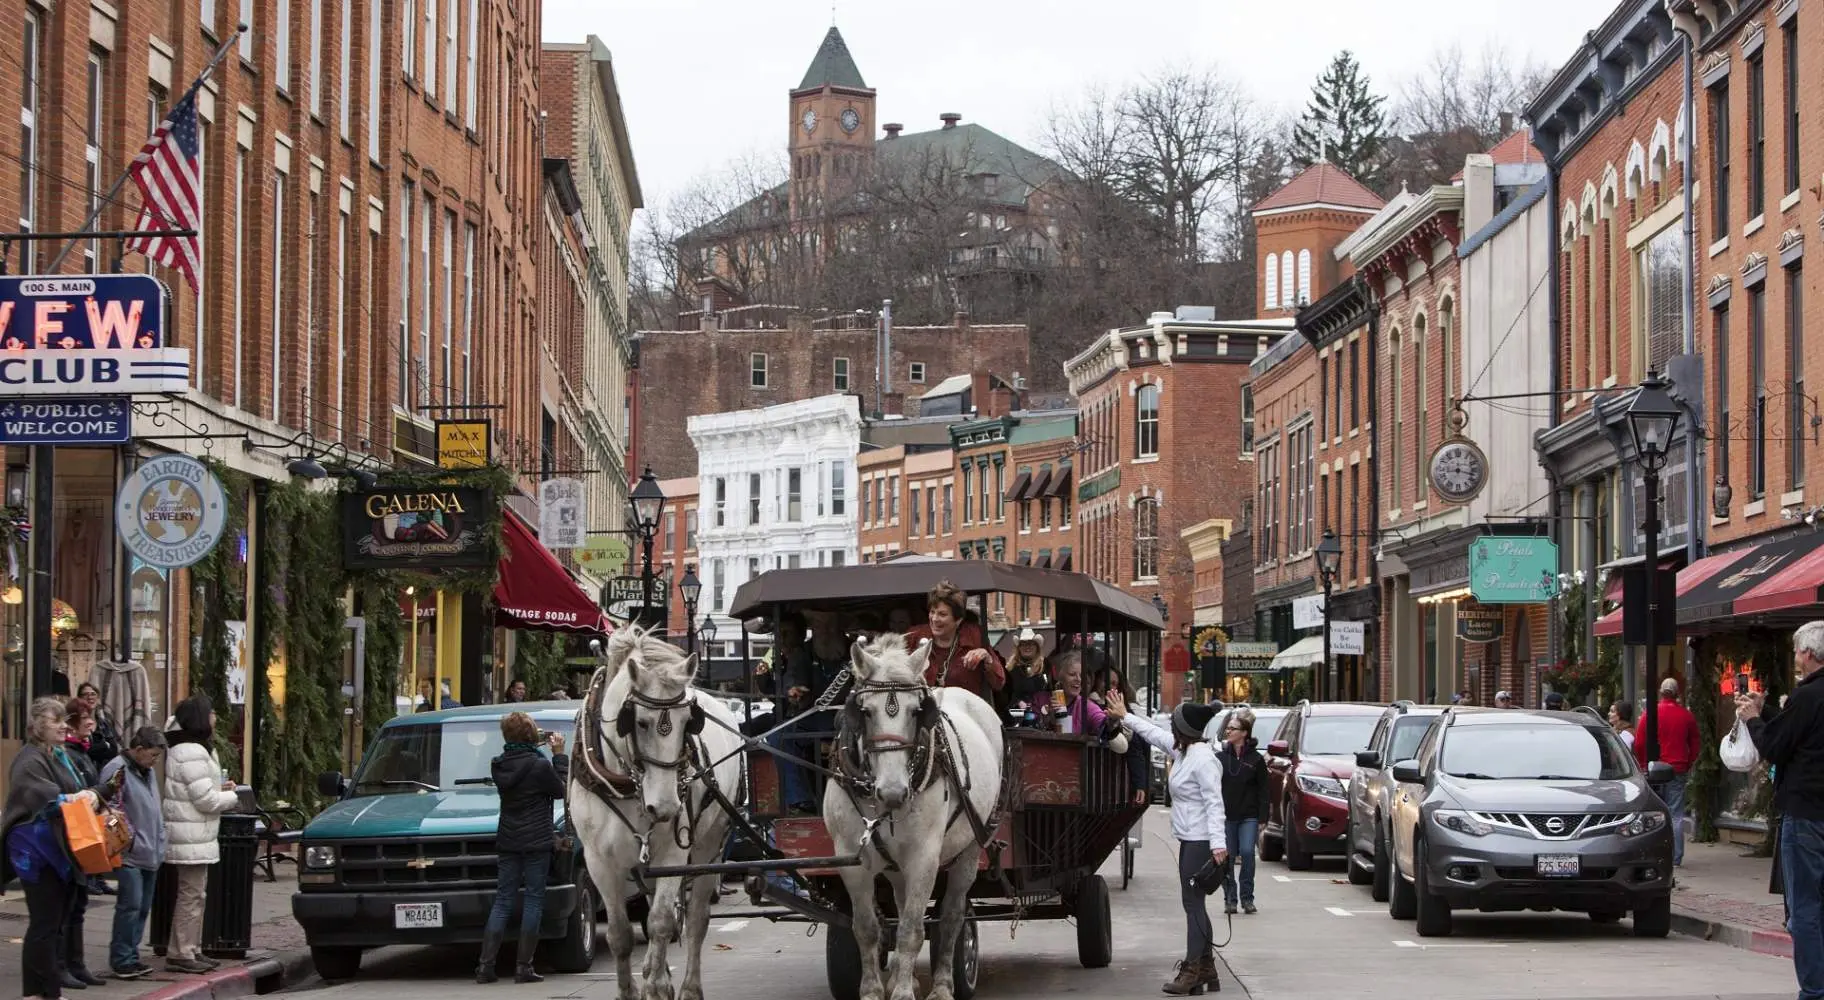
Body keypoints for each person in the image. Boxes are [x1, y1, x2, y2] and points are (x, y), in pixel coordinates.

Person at [1106, 691, 1226, 996]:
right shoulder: (1183, 751)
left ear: (1184, 731)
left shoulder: (1203, 760)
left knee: (1192, 903)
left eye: (1175, 725)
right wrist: (1124, 716)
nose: (1170, 730)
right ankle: (1207, 967)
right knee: (1195, 903)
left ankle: (1192, 970)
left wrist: (1218, 845)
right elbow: (1154, 734)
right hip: (1190, 838)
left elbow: (1215, 804)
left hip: (1201, 841)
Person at [1740, 620, 1824, 1000]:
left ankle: (1814, 990)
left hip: (1806, 813)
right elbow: (1797, 732)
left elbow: (1776, 746)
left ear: (1807, 654)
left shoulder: (1808, 695)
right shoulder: (1808, 700)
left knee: (1804, 908)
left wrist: (1752, 720)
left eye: (1795, 651)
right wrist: (1769, 711)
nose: (1794, 658)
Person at [4, 697, 99, 1000]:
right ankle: (44, 992)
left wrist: (89, 794)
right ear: (37, 726)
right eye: (55, 721)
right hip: (35, 851)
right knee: (45, 923)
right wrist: (79, 797)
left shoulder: (56, 754)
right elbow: (46, 796)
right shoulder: (29, 758)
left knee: (53, 922)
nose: (63, 726)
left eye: (63, 720)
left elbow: (73, 790)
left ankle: (40, 991)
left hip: (56, 849)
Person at [477, 713, 569, 985]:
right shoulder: (540, 766)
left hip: (508, 839)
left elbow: (522, 766)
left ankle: (485, 966)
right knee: (533, 899)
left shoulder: (499, 765)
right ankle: (523, 966)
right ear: (530, 735)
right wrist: (559, 756)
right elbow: (561, 790)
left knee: (503, 900)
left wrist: (536, 748)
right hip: (537, 841)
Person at [162, 696, 241, 975]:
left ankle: (190, 948)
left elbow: (201, 789)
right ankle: (182, 951)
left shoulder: (189, 748)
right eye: (211, 713)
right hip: (191, 834)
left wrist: (220, 787)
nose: (215, 717)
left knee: (195, 894)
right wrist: (231, 796)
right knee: (191, 895)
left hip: (195, 833)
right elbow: (204, 799)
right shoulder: (190, 750)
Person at [99, 728, 168, 980]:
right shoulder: (117, 769)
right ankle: (122, 958)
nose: (155, 761)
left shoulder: (146, 771)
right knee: (130, 905)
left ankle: (131, 954)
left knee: (141, 907)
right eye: (152, 755)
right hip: (130, 852)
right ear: (138, 750)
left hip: (150, 850)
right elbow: (109, 809)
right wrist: (128, 841)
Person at [771, 612, 850, 815]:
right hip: (813, 722)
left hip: (849, 722)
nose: (824, 632)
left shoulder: (855, 651)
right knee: (778, 736)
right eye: (819, 627)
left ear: (839, 627)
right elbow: (793, 678)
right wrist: (793, 691)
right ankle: (801, 800)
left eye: (829, 626)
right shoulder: (803, 653)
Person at [59, 700, 106, 979]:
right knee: (67, 905)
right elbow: (73, 790)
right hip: (71, 834)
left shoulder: (83, 752)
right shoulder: (68, 754)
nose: (91, 723)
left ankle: (76, 964)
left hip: (83, 832)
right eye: (84, 718)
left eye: (92, 717)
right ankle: (63, 965)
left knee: (78, 904)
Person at [903, 581, 1004, 699]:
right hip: (924, 712)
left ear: (958, 620)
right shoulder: (914, 636)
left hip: (964, 712)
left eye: (942, 614)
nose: (934, 619)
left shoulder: (974, 636)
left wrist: (987, 659)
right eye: (932, 612)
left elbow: (998, 683)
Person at [1638, 677, 1700, 866]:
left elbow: (1640, 742)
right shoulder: (1686, 715)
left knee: (1654, 812)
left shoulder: (1650, 714)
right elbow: (1695, 744)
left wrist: (1642, 765)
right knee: (1676, 814)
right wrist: (1687, 763)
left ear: (1661, 692)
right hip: (1677, 768)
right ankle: (1675, 856)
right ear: (1677, 693)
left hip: (1655, 769)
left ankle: (1655, 854)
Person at [1217, 709, 1268, 916]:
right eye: (1227, 728)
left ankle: (1247, 898)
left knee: (1247, 853)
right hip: (1226, 816)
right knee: (1227, 858)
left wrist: (1263, 817)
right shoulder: (1219, 758)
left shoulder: (1256, 759)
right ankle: (1230, 898)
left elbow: (1264, 790)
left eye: (1233, 728)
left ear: (1244, 733)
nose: (1228, 731)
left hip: (1249, 815)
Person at [1001, 628, 1050, 723]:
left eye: (1031, 644)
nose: (1027, 647)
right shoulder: (1011, 669)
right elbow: (1005, 694)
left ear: (1036, 647)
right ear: (1019, 648)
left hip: (1042, 716)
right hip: (1015, 717)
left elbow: (1051, 690)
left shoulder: (1046, 666)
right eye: (1023, 644)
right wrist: (1017, 702)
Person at [75, 684, 121, 780]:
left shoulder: (104, 724)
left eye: (93, 694)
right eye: (85, 694)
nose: (90, 697)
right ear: (79, 699)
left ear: (98, 699)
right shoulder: (75, 723)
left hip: (105, 776)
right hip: (85, 777)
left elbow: (113, 750)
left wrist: (98, 749)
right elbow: (81, 751)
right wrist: (104, 746)